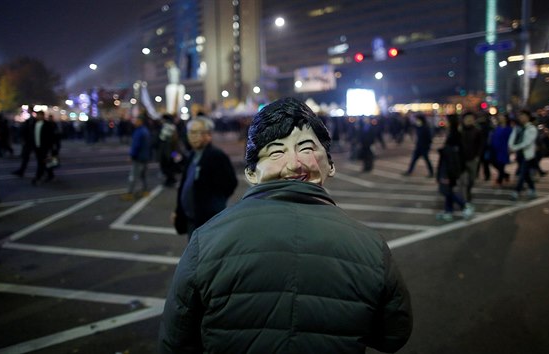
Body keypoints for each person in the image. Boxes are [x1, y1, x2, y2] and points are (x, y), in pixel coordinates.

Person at [159, 97, 412, 354]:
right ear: (250, 172)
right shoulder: (370, 246)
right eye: (277, 152)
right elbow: (393, 335)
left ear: (331, 164)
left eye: (306, 149)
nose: (294, 163)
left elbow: (177, 339)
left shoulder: (206, 240)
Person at [171, 116, 237, 240]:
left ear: (208, 135)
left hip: (207, 220)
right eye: (190, 132)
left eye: (197, 133)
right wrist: (179, 210)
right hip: (191, 219)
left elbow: (230, 184)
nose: (192, 136)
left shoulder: (216, 156)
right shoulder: (192, 154)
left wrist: (214, 205)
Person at [436, 114, 474, 221]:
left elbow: (452, 154)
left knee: (447, 190)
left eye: (446, 120)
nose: (444, 122)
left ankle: (465, 205)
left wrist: (443, 151)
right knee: (448, 189)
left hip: (449, 168)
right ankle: (448, 211)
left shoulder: (454, 135)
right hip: (451, 166)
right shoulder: (454, 134)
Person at [508, 109, 538, 200]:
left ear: (528, 117)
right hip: (519, 155)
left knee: (522, 173)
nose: (522, 118)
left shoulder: (532, 128)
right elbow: (511, 138)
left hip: (527, 155)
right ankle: (532, 189)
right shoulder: (517, 128)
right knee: (525, 174)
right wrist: (511, 146)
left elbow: (527, 143)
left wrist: (514, 148)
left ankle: (516, 192)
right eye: (520, 116)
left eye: (524, 116)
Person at [122, 116, 152, 200]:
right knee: (143, 175)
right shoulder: (145, 131)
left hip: (139, 157)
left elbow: (136, 145)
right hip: (145, 157)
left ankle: (130, 193)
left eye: (136, 121)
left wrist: (131, 155)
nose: (134, 122)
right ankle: (145, 190)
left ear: (140, 121)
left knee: (133, 176)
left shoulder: (139, 132)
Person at [459, 111, 484, 203]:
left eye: (471, 119)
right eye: (467, 119)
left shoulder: (477, 131)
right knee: (462, 180)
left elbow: (481, 145)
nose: (469, 120)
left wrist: (478, 156)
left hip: (473, 159)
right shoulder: (460, 131)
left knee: (471, 179)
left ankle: (468, 192)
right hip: (461, 160)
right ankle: (465, 198)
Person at [31, 110, 58, 185]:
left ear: (43, 116)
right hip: (37, 146)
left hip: (45, 147)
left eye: (39, 115)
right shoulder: (34, 124)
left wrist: (51, 147)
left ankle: (38, 177)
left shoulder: (47, 124)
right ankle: (50, 175)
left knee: (41, 162)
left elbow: (51, 137)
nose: (38, 116)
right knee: (45, 162)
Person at [489, 113, 512, 187]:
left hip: (503, 149)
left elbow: (510, 139)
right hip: (495, 149)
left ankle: (499, 181)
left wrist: (510, 148)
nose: (500, 118)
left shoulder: (509, 129)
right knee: (493, 163)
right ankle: (505, 175)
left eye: (502, 117)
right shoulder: (497, 127)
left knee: (501, 164)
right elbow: (493, 137)